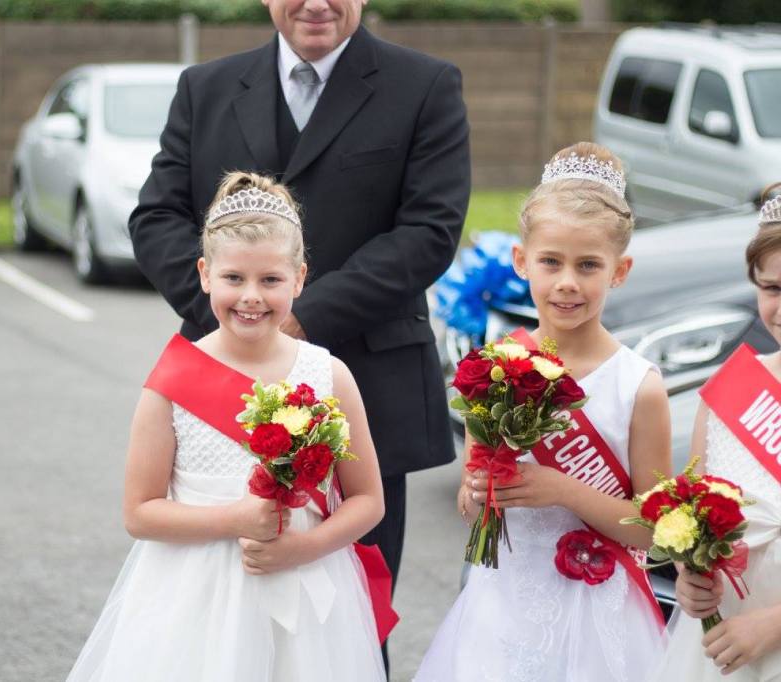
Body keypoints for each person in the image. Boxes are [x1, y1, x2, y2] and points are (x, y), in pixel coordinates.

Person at [128, 0, 471, 595]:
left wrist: (299, 318)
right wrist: (239, 316)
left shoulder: (426, 86)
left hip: (366, 384)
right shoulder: (204, 89)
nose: (315, 4)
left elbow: (429, 230)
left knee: (357, 610)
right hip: (217, 391)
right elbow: (156, 218)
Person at [65, 171, 387, 682]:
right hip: (194, 599)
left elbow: (368, 499)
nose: (251, 296)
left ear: (299, 278)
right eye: (234, 278)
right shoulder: (171, 383)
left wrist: (302, 548)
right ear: (204, 274)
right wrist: (236, 518)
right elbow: (139, 513)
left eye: (270, 280)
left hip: (305, 586)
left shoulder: (330, 375)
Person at [414, 142, 672, 681]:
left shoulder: (639, 387)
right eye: (550, 261)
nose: (567, 282)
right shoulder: (495, 367)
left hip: (599, 612)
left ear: (620, 270)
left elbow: (654, 530)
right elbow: (472, 502)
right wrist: (475, 494)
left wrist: (563, 489)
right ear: (521, 261)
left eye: (588, 265)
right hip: (502, 608)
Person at [650, 186, 781, 681]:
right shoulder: (726, 395)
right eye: (773, 289)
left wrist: (772, 626)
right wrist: (692, 582)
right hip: (722, 650)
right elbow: (696, 527)